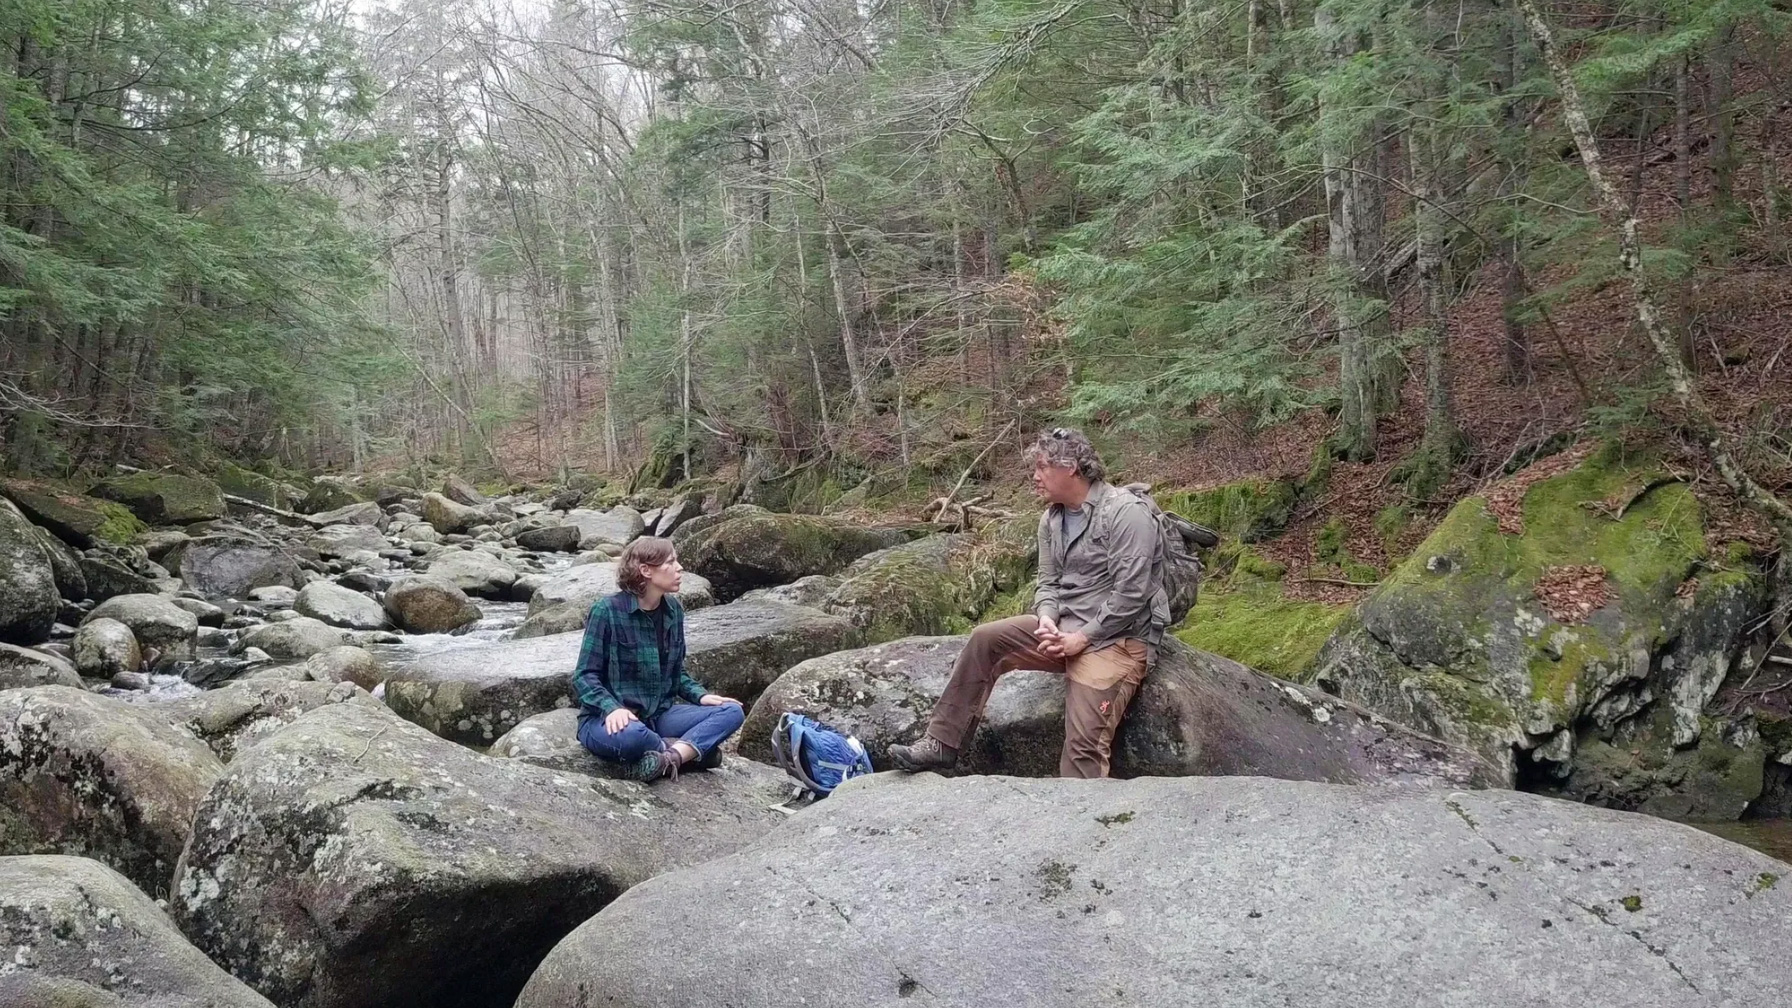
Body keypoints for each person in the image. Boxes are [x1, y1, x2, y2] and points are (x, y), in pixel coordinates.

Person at [889, 427, 1168, 779]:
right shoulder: (1052, 518)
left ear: (1070, 467)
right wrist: (1047, 620)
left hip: (1117, 640)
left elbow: (1132, 594)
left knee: (1083, 745)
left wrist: (1081, 639)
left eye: (1041, 467)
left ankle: (1087, 821)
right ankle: (941, 744)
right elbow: (1048, 582)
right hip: (1065, 628)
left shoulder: (1125, 513)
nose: (1034, 477)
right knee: (986, 639)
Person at [572, 536, 745, 780]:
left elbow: (676, 672)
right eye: (671, 562)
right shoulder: (606, 611)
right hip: (607, 722)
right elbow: (584, 676)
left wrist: (701, 695)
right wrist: (612, 708)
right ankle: (688, 751)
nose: (680, 568)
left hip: (659, 716)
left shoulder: (673, 610)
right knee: (633, 737)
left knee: (731, 711)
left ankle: (670, 759)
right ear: (645, 570)